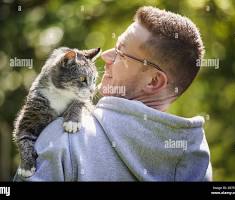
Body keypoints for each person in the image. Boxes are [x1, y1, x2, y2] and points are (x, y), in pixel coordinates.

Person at [14, 6, 212, 181]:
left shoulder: (62, 141)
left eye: (121, 52)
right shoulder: (198, 162)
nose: (106, 57)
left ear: (153, 81)